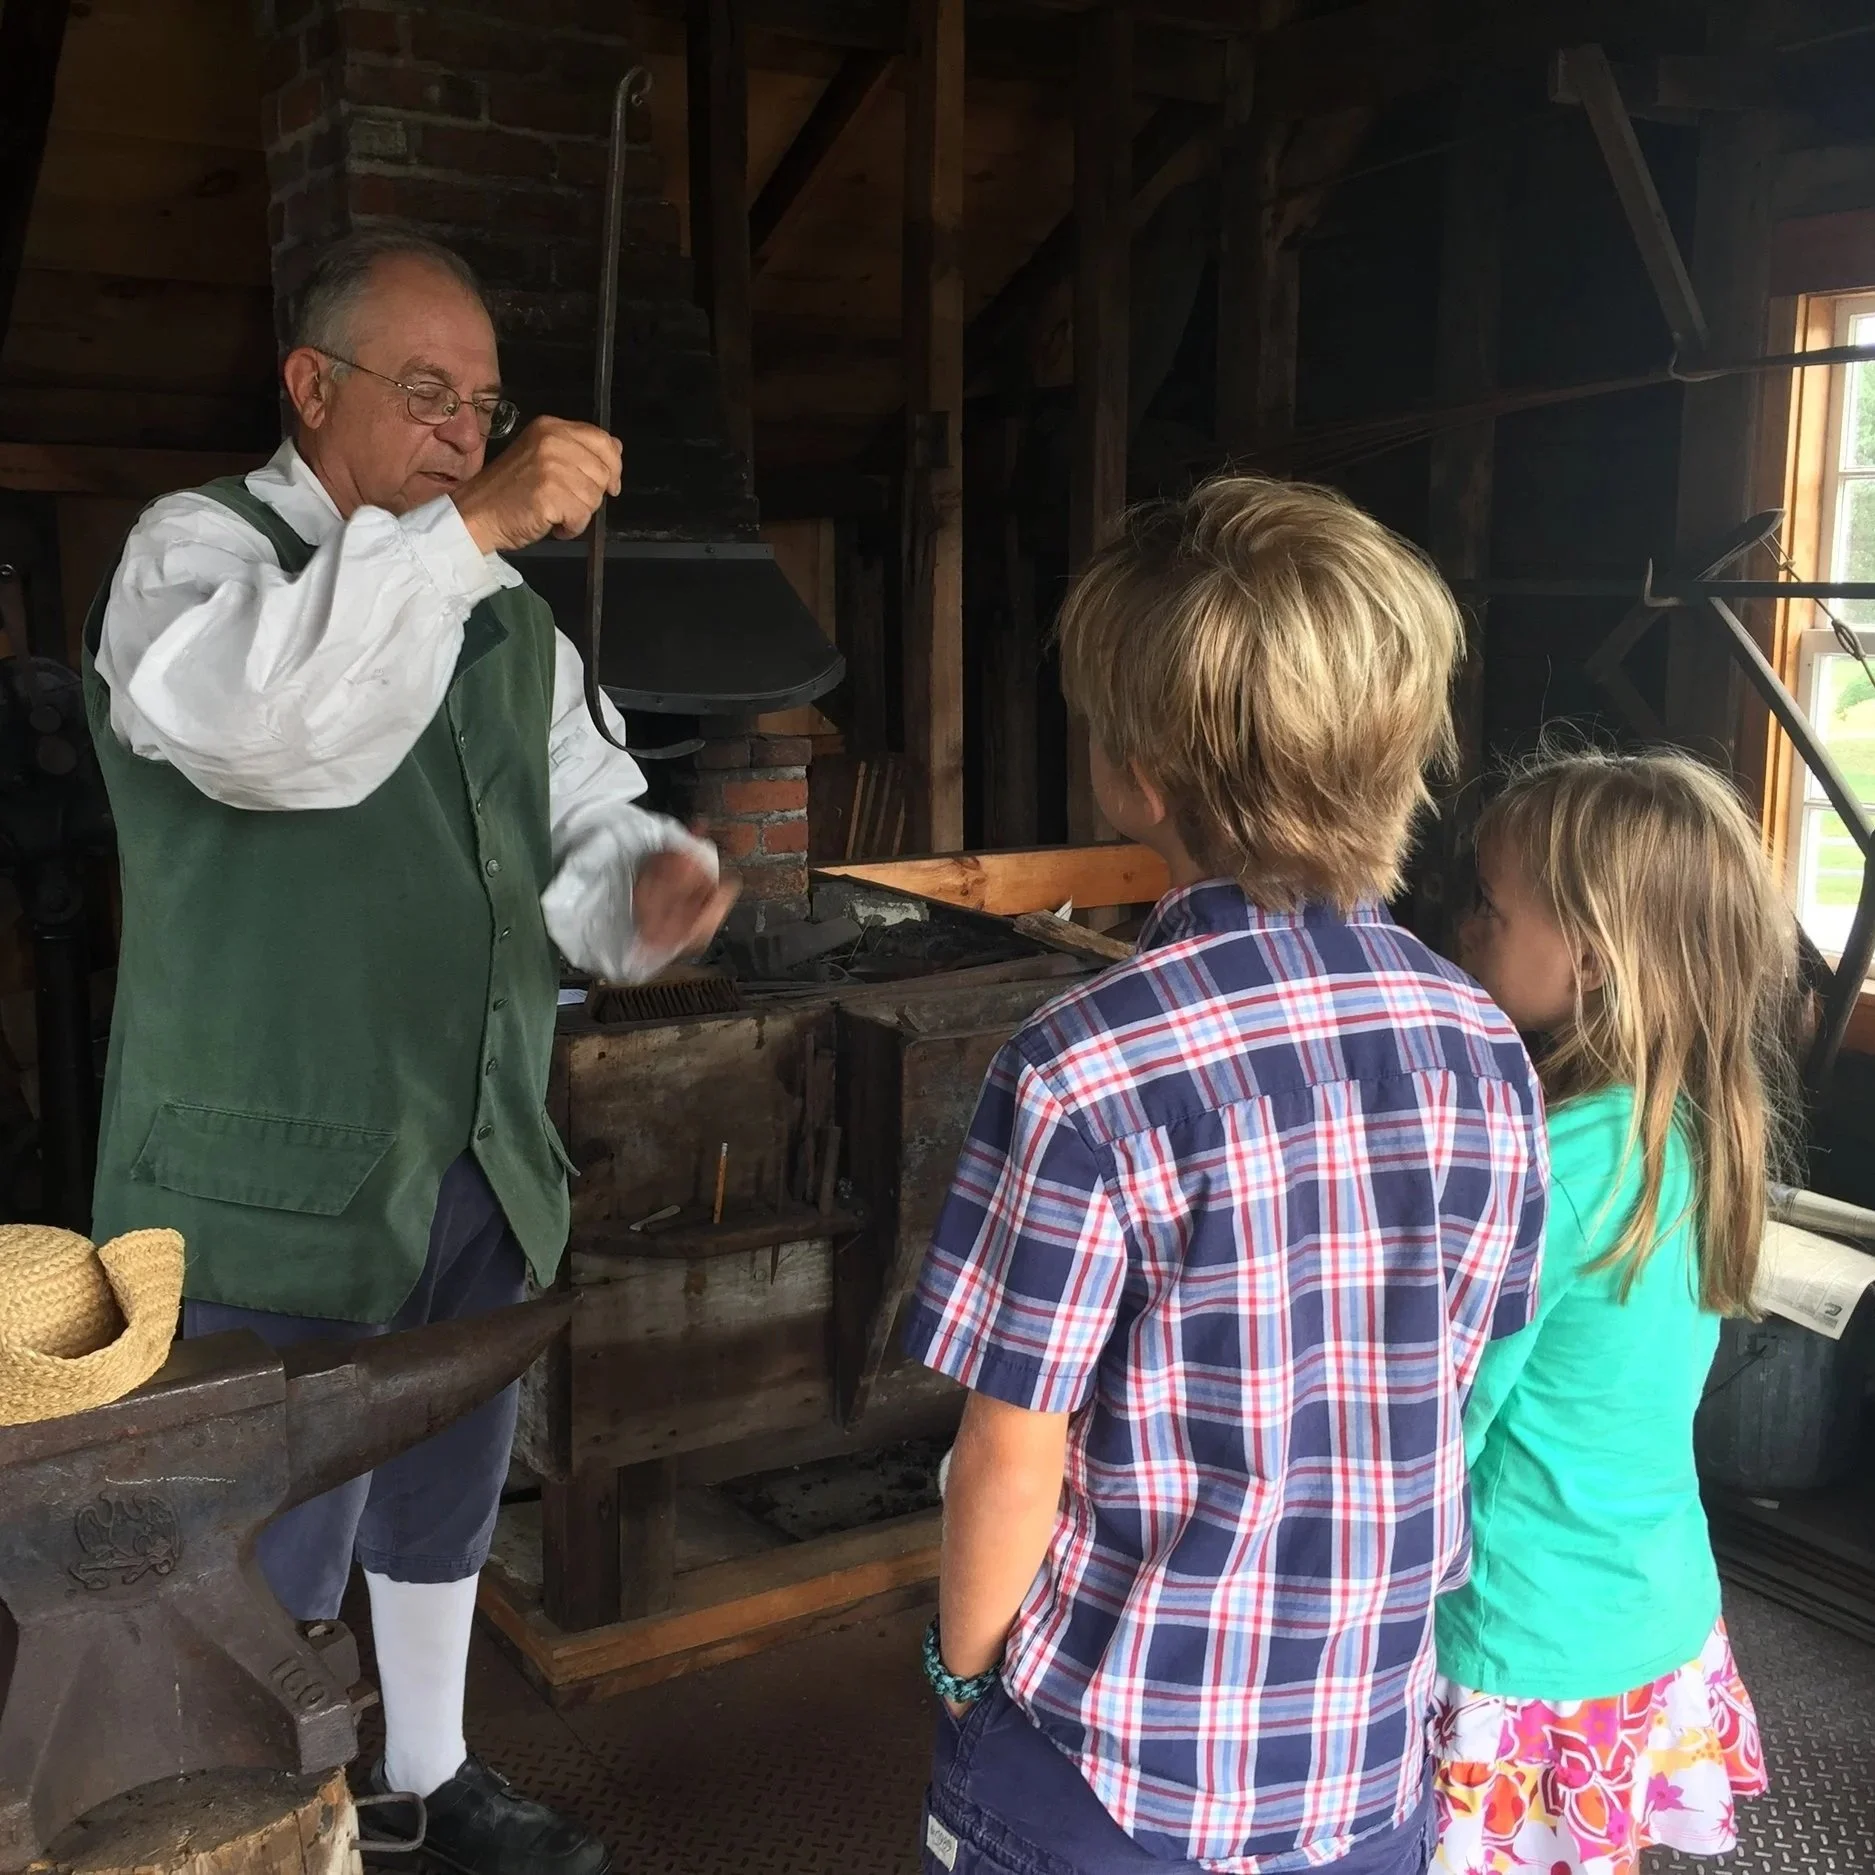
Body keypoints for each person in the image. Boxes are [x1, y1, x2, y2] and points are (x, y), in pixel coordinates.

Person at [84, 230, 738, 1875]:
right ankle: (269, 1816)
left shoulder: (505, 621)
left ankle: (429, 1778)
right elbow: (269, 736)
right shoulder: (191, 555)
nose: (464, 432)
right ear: (311, 388)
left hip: (471, 1150)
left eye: (484, 405)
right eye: (427, 392)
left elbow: (583, 824)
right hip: (265, 1177)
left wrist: (646, 889)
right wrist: (477, 527)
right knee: (264, 1531)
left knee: (444, 1493)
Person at [902, 476, 1549, 1875]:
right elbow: (1456, 1368)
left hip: (1109, 1769)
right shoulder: (1484, 1047)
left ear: (1137, 773)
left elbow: (1008, 1453)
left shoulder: (1079, 1067)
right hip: (1364, 1762)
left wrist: (961, 1679)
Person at [1431, 748, 1794, 1875]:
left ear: (1588, 957)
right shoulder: (1689, 1130)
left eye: (1488, 908)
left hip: (1517, 1623)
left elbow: (1452, 1414)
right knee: (1586, 1845)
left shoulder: (1553, 1165)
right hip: (1648, 1605)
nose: (1462, 929)